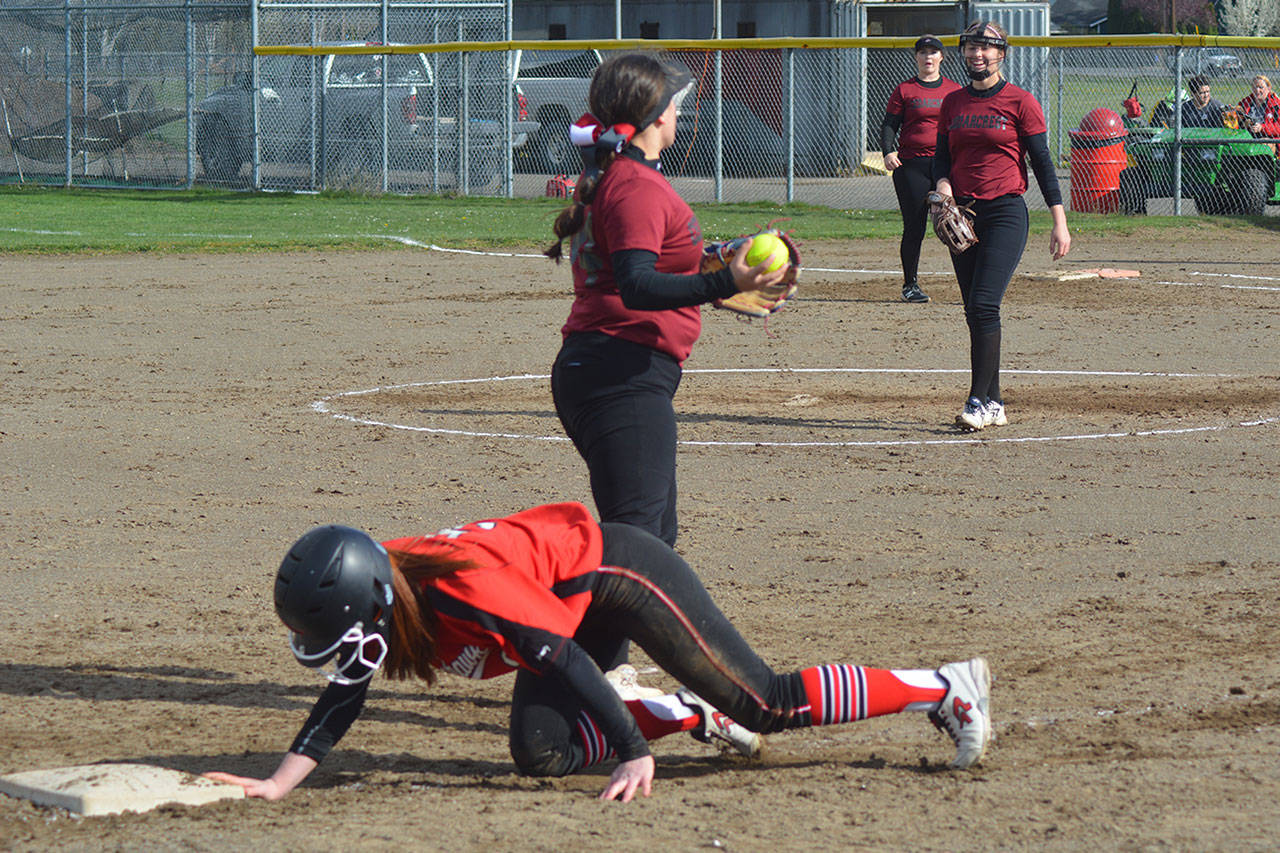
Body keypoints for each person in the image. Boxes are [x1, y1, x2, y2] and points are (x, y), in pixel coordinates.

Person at [204, 503, 993, 803]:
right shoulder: (388, 586)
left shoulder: (463, 592)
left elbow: (567, 660)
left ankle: (942, 686)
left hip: (620, 575)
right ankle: (683, 714)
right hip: (561, 605)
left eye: (344, 635)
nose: (345, 655)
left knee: (765, 701)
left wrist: (631, 752)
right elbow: (345, 692)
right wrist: (278, 782)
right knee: (540, 752)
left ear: (374, 600)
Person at [542, 54, 788, 548]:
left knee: (655, 538)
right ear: (656, 116)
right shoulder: (636, 186)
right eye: (674, 105)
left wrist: (710, 269)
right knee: (638, 543)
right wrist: (725, 283)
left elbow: (640, 269)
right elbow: (636, 284)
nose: (678, 112)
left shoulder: (626, 177)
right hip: (619, 374)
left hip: (617, 369)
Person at [933, 20, 1071, 431]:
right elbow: (942, 159)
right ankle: (994, 402)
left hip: (1006, 212)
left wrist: (1059, 222)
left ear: (1001, 54)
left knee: (984, 304)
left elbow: (1042, 164)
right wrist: (943, 189)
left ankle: (976, 401)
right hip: (963, 215)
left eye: (986, 48)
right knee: (974, 311)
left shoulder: (1020, 101)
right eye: (971, 47)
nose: (978, 54)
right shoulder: (953, 103)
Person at [880, 35, 963, 304]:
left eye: (933, 52)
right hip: (912, 165)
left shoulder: (953, 90)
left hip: (944, 166)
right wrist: (888, 151)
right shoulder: (905, 89)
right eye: (923, 52)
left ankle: (970, 283)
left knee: (956, 224)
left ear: (942, 57)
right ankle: (910, 285)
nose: (928, 57)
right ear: (916, 57)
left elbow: (961, 128)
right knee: (914, 226)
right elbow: (890, 124)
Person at [1237, 74, 1280, 144]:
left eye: (1261, 87)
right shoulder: (1245, 103)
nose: (1257, 90)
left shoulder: (1276, 105)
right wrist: (1244, 124)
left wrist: (1262, 128)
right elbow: (1238, 122)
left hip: (1268, 138)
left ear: (1269, 88)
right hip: (1248, 136)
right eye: (1254, 87)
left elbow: (1278, 128)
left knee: (1264, 143)